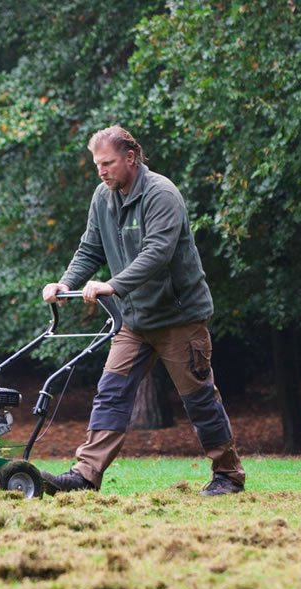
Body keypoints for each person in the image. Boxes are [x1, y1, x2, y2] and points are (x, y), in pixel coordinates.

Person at [40, 125, 246, 496]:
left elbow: (157, 252)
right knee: (111, 393)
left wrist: (112, 285)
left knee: (199, 399)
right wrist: (65, 283)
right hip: (134, 322)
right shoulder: (103, 197)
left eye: (108, 163)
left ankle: (228, 476)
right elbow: (90, 248)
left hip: (179, 319)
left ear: (131, 158)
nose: (101, 171)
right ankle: (85, 476)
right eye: (97, 164)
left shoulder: (161, 194)